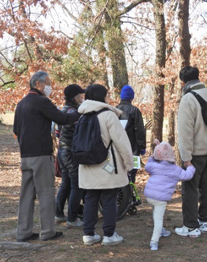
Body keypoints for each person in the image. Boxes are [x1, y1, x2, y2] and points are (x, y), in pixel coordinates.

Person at [13, 71, 80, 242]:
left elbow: (15, 130)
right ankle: (48, 231)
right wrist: (81, 112)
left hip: (25, 156)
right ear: (38, 84)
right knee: (46, 193)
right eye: (48, 83)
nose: (50, 86)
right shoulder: (42, 101)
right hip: (41, 155)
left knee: (26, 195)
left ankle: (23, 232)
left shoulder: (20, 104)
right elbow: (63, 118)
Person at [78, 84, 134, 246]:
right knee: (109, 198)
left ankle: (88, 234)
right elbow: (122, 143)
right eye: (107, 95)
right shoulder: (108, 115)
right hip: (107, 164)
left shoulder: (82, 115)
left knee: (90, 198)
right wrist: (129, 164)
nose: (108, 97)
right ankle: (109, 234)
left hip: (87, 164)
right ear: (101, 96)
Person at [175, 66, 207, 238]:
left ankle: (191, 226)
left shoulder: (188, 99)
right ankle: (204, 221)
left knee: (190, 188)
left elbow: (185, 132)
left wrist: (186, 158)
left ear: (183, 82)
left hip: (195, 152)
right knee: (206, 186)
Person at [144, 139, 195, 250]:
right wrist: (190, 166)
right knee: (158, 218)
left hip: (149, 195)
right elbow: (187, 176)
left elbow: (147, 166)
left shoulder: (154, 166)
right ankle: (154, 241)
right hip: (160, 199)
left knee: (156, 213)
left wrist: (152, 157)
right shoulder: (175, 170)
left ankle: (161, 230)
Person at [55, 84, 86, 228]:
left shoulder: (63, 110)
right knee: (76, 187)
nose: (82, 97)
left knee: (65, 184)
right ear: (75, 97)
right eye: (81, 94)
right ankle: (72, 219)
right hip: (71, 153)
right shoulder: (75, 113)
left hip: (62, 151)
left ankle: (59, 214)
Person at [116, 85, 146, 183]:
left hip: (117, 148)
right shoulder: (135, 111)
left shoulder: (114, 110)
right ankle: (131, 194)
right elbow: (140, 130)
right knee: (132, 173)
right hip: (133, 148)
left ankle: (121, 195)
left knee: (119, 170)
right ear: (132, 97)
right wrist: (142, 147)